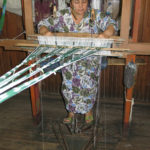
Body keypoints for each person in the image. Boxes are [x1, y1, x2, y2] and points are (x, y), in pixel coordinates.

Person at [38, 0, 117, 124]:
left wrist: (106, 34)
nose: (81, 6)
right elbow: (42, 24)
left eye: (84, 2)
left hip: (90, 60)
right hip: (68, 59)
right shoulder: (61, 16)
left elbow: (112, 23)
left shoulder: (94, 15)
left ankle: (88, 111)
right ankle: (71, 112)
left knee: (89, 84)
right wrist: (47, 33)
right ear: (70, 3)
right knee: (69, 85)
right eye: (77, 2)